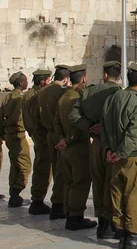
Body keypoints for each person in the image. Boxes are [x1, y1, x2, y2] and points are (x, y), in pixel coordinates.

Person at [101, 63, 137, 249]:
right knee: (135, 195)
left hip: (115, 156)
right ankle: (133, 235)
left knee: (118, 194)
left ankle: (122, 232)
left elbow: (104, 127)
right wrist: (121, 152)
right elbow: (135, 132)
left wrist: (110, 150)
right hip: (134, 157)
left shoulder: (112, 98)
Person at [69, 60, 123, 239]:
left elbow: (73, 115)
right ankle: (113, 224)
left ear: (105, 74)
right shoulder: (119, 94)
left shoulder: (89, 92)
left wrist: (91, 126)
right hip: (112, 144)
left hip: (96, 143)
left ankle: (102, 225)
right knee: (112, 183)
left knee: (98, 182)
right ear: (119, 75)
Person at [54, 64, 98, 230]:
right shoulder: (79, 98)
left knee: (69, 181)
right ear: (84, 79)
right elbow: (77, 123)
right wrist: (69, 139)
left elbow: (56, 122)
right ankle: (76, 216)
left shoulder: (63, 97)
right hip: (78, 147)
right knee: (81, 182)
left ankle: (68, 211)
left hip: (65, 147)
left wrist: (61, 139)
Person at [36, 64, 70, 220]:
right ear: (66, 78)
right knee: (61, 170)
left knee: (54, 167)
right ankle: (58, 204)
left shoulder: (42, 91)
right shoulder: (61, 92)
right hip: (58, 134)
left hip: (47, 133)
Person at [0, 72, 32, 208]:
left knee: (15, 164)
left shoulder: (7, 97)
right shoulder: (18, 98)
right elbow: (18, 117)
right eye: (26, 81)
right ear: (21, 83)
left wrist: (3, 132)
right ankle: (17, 190)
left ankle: (14, 195)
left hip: (9, 135)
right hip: (18, 135)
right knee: (25, 166)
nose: (27, 83)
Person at [23, 69, 52, 215]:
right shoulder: (39, 95)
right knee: (43, 169)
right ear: (43, 81)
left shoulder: (27, 94)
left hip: (35, 135)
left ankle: (37, 199)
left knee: (41, 167)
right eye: (48, 80)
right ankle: (38, 201)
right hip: (42, 137)